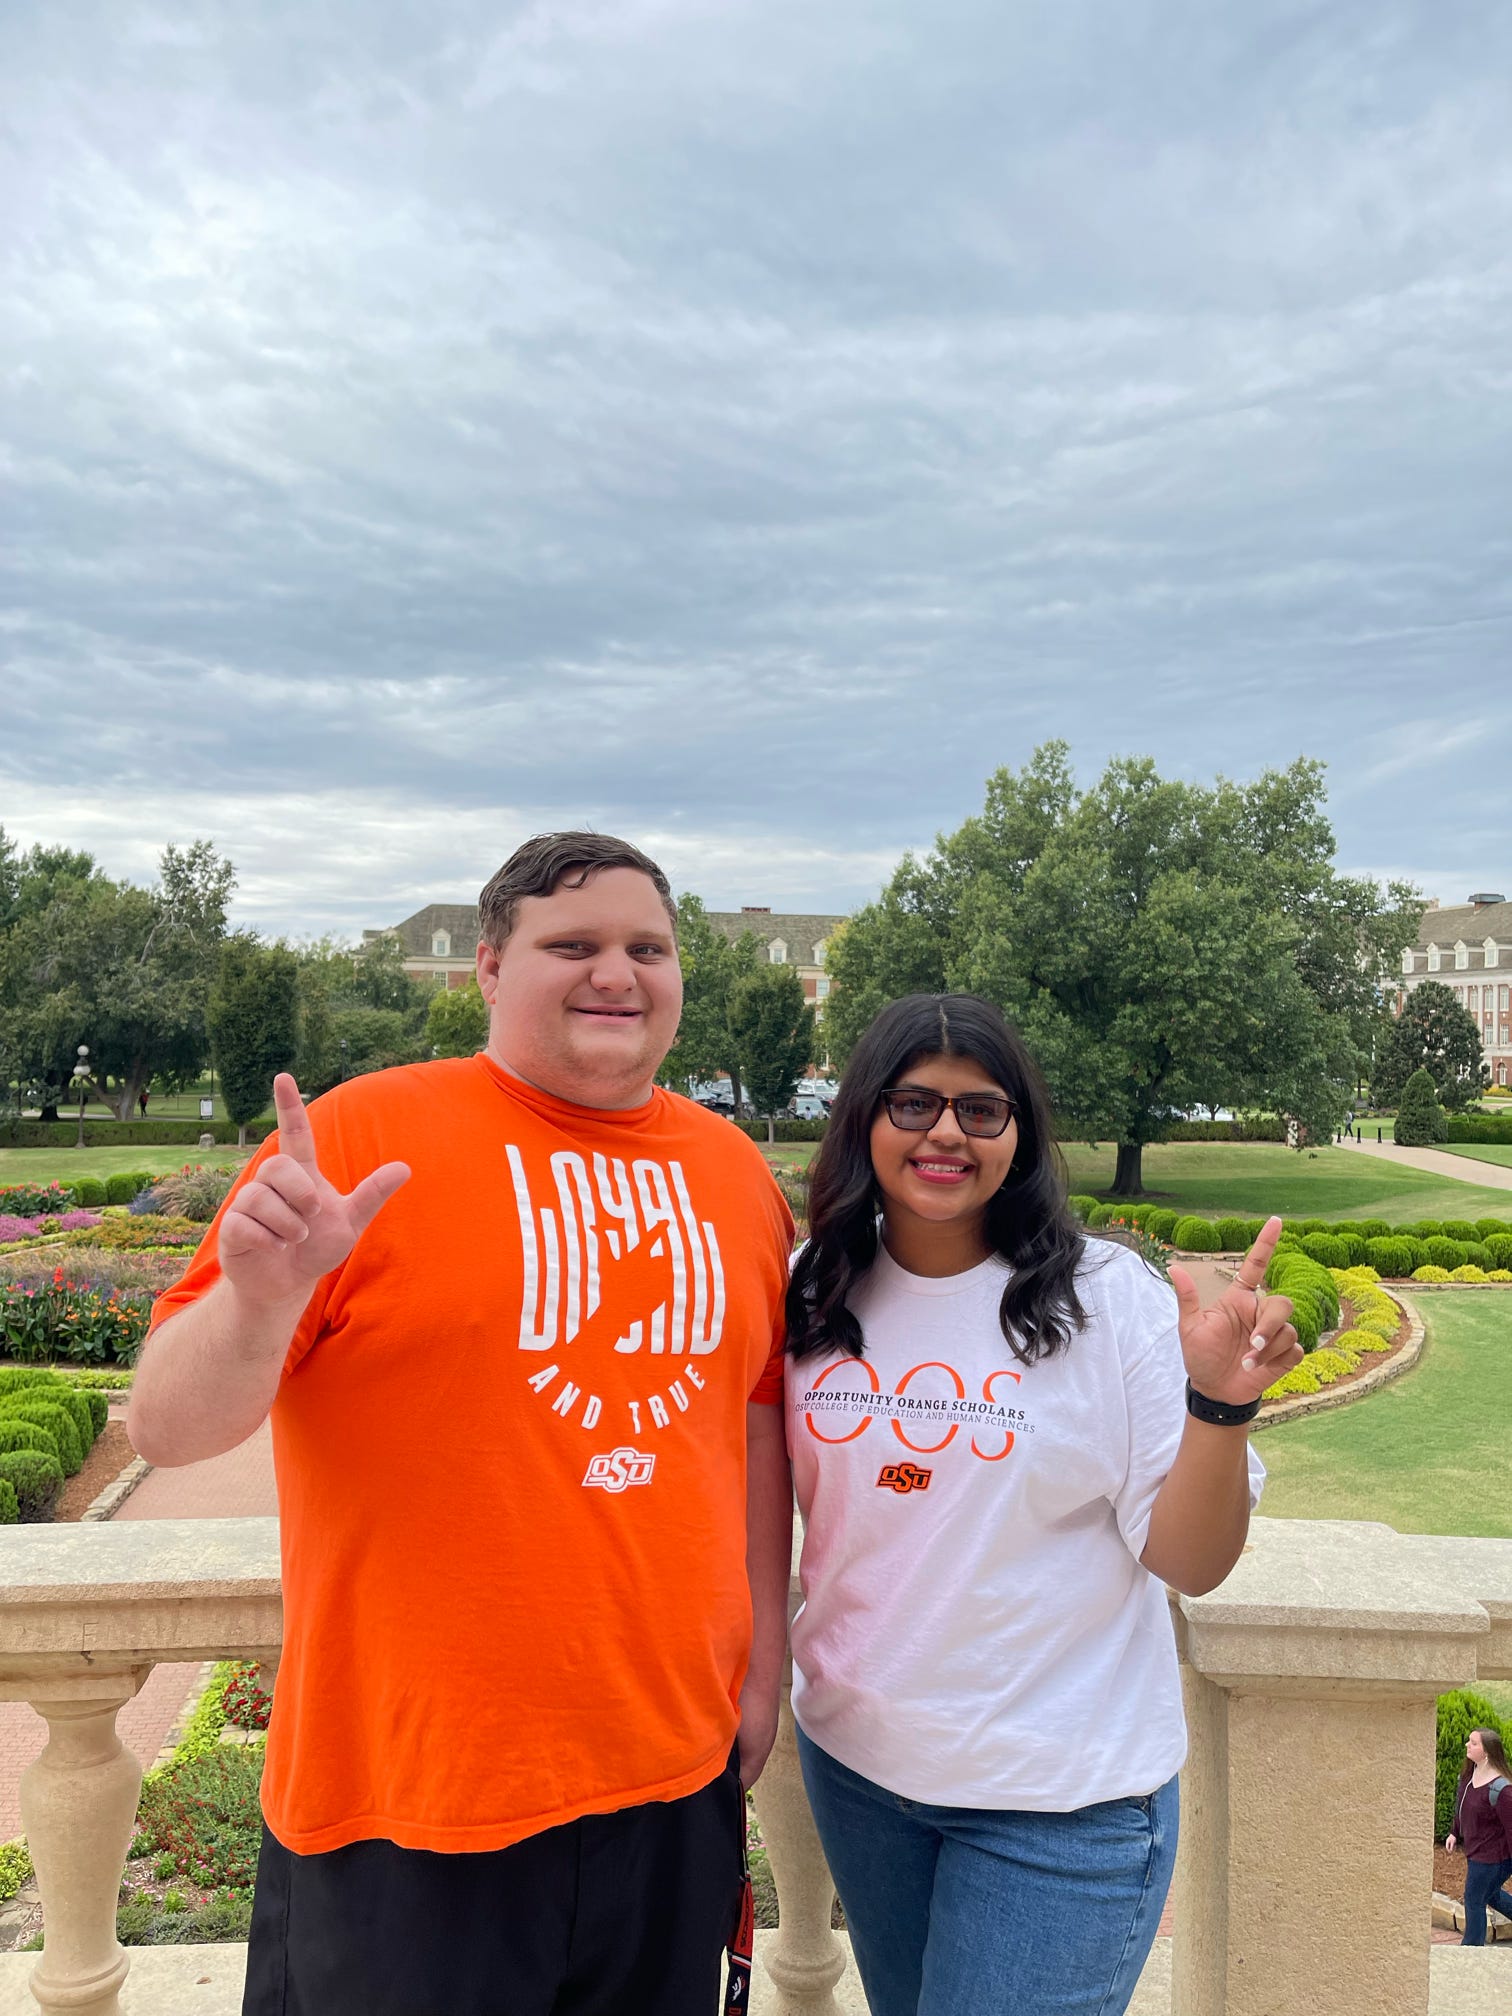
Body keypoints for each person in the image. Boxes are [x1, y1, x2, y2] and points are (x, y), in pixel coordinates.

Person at [129, 832, 795, 2016]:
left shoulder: (733, 1173)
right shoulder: (359, 1141)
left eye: (648, 949)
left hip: (671, 1778)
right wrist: (258, 1304)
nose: (617, 974)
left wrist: (763, 1666)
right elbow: (167, 1431)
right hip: (410, 1802)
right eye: (572, 945)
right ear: (489, 967)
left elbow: (749, 1434)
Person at [783, 994, 1300, 2016]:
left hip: (1057, 1803)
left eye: (981, 1110)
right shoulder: (815, 1287)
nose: (946, 1132)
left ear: (1017, 1134)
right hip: (857, 1769)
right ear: (864, 1119)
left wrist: (1220, 1404)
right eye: (913, 1104)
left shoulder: (1106, 1299)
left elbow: (1191, 1562)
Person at [1446, 1727, 1512, 1945]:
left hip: (1493, 1859)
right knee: (1491, 1895)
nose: (1467, 1745)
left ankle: (1471, 1949)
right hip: (1476, 1852)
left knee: (1474, 1900)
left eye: (1473, 1743)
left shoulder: (1502, 1790)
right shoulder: (1468, 1775)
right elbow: (1461, 1807)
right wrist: (1454, 1832)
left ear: (1487, 1752)